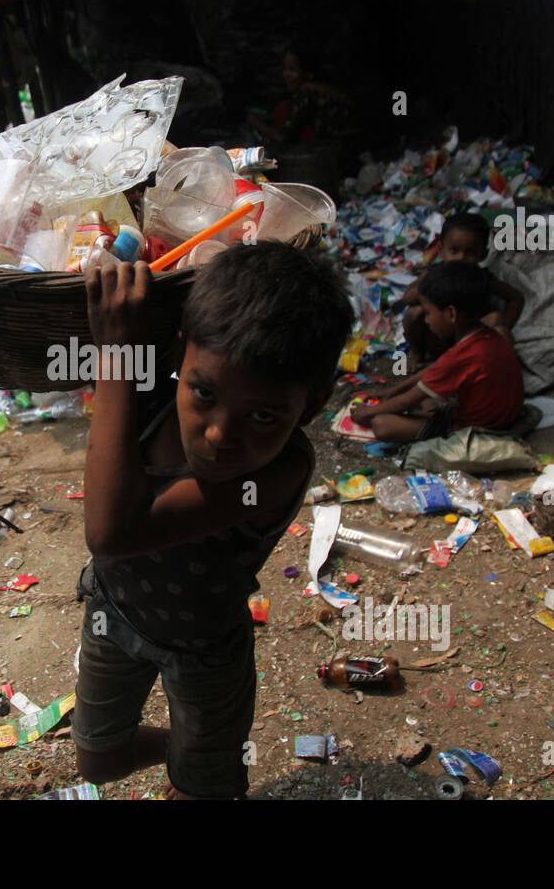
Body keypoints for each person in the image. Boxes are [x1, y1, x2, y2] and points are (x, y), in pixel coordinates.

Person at [73, 241, 353, 799]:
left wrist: (114, 358)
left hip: (203, 648)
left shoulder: (275, 473)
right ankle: (185, 756)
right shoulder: (152, 393)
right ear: (180, 354)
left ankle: (199, 769)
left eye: (264, 416)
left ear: (313, 406)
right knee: (99, 761)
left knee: (207, 787)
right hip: (114, 614)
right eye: (204, 392)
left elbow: (111, 532)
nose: (221, 435)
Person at [352, 261, 525, 444]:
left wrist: (368, 411)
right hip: (506, 415)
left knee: (382, 424)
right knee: (425, 401)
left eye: (428, 313)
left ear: (451, 314)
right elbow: (434, 370)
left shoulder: (460, 356)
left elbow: (408, 400)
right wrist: (393, 390)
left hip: (482, 429)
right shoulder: (486, 335)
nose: (426, 321)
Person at [400, 212, 524, 365]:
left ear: (483, 254)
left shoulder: (480, 277)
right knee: (414, 313)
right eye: (454, 250)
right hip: (438, 337)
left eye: (470, 253)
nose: (461, 258)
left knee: (498, 321)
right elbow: (407, 298)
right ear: (440, 249)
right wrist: (435, 285)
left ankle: (501, 370)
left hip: (471, 338)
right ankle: (418, 353)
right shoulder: (434, 273)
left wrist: (506, 324)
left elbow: (516, 298)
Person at [247, 47, 353, 146]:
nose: (286, 75)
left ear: (308, 74)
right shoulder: (320, 89)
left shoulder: (306, 93)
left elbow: (284, 138)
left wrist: (257, 123)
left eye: (292, 70)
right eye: (285, 69)